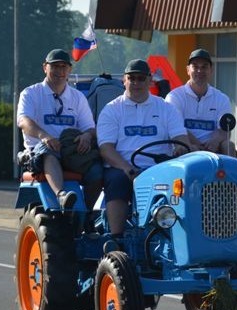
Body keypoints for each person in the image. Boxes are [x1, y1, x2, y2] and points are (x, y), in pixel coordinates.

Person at [97, 59, 191, 238]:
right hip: (123, 168)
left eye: (141, 78)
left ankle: (182, 236)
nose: (136, 83)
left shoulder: (166, 108)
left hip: (159, 167)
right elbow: (106, 149)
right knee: (117, 180)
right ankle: (117, 239)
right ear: (123, 81)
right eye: (131, 78)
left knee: (186, 184)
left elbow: (181, 139)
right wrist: (126, 167)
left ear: (150, 81)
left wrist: (180, 149)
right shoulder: (112, 110)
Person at [17, 49, 102, 210]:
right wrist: (44, 136)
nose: (59, 71)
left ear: (69, 70)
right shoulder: (31, 93)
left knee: (97, 170)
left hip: (70, 150)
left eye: (64, 67)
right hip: (39, 152)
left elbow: (90, 128)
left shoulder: (78, 97)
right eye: (55, 66)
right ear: (45, 68)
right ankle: (61, 195)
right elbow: (23, 121)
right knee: (48, 151)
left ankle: (87, 214)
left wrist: (86, 136)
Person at [165, 48, 237, 156]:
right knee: (182, 147)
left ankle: (231, 173)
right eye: (195, 66)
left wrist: (214, 142)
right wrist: (195, 146)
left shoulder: (222, 98)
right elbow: (176, 129)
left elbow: (225, 129)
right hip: (186, 148)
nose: (200, 71)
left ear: (211, 70)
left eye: (204, 67)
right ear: (188, 70)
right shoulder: (174, 96)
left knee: (229, 145)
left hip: (213, 150)